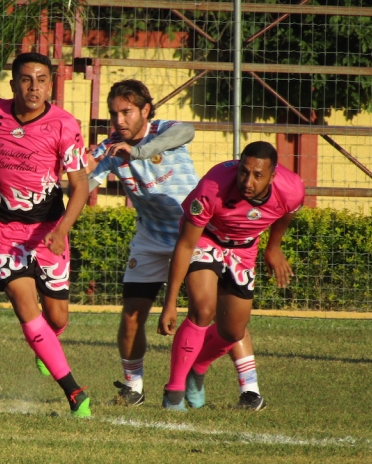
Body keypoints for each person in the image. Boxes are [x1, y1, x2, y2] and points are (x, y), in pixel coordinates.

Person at [88, 79, 269, 409]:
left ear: (145, 111)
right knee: (131, 316)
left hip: (199, 234)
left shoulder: (165, 130)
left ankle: (250, 389)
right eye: (113, 114)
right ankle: (133, 386)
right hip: (151, 239)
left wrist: (140, 151)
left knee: (221, 314)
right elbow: (80, 177)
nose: (118, 121)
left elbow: (186, 131)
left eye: (126, 112)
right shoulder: (109, 149)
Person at [0, 52, 91, 417]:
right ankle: (74, 393)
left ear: (50, 83)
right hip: (4, 230)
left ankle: (47, 344)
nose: (34, 87)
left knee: (55, 319)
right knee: (25, 305)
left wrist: (62, 230)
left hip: (47, 230)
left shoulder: (64, 125)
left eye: (42, 79)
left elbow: (80, 185)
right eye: (26, 79)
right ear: (13, 84)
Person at [158, 140, 305, 412]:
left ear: (273, 176)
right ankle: (174, 394)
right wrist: (169, 304)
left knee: (233, 330)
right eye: (243, 172)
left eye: (258, 175)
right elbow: (186, 244)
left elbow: (288, 212)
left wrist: (273, 247)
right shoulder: (212, 188)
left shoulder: (292, 189)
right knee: (203, 310)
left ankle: (197, 368)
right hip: (207, 239)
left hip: (244, 249)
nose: (248, 181)